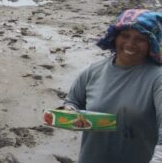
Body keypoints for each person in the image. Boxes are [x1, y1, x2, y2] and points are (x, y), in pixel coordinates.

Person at [63, 9, 162, 163]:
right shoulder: (92, 71)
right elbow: (73, 101)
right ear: (115, 37)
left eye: (140, 39)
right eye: (125, 35)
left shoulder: (157, 78)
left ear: (151, 43)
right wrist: (70, 114)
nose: (130, 44)